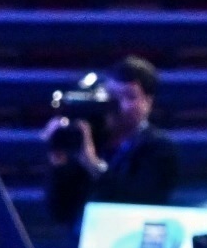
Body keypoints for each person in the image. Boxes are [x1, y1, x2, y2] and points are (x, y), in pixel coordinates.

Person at [39, 55, 182, 226]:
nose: (116, 106)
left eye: (128, 96)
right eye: (111, 96)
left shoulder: (160, 148)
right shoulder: (92, 140)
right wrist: (59, 163)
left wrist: (92, 164)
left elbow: (139, 202)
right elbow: (60, 211)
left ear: (148, 102)